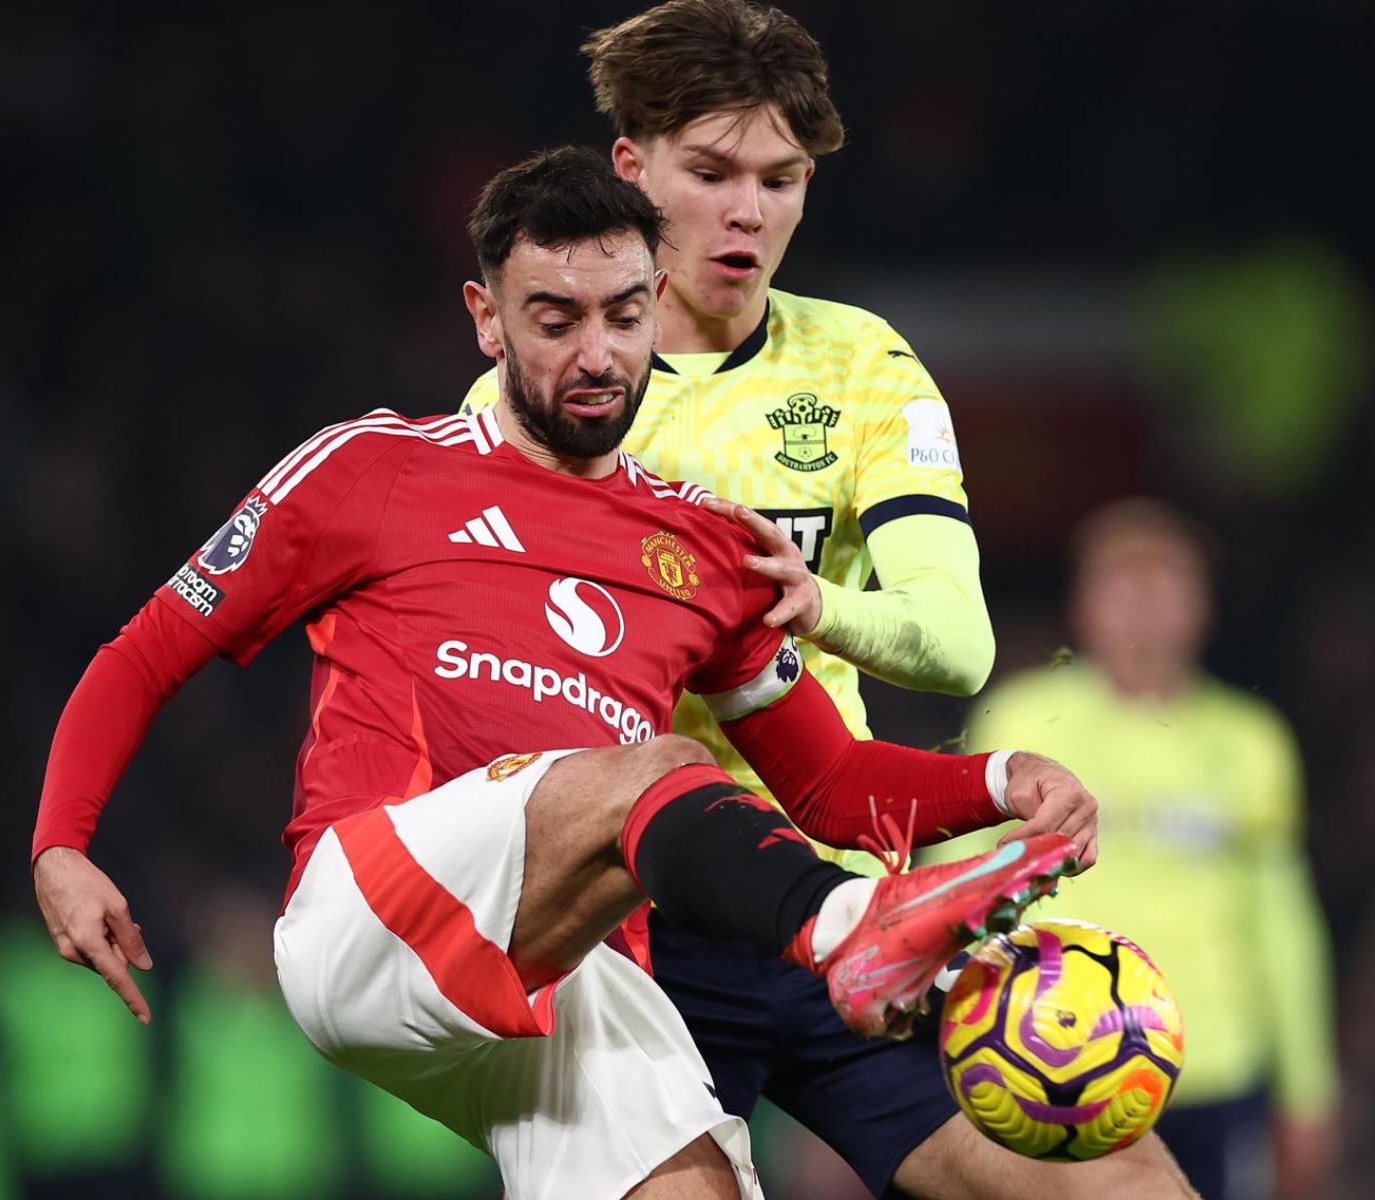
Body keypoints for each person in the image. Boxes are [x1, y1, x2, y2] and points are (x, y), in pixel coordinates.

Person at [30, 147, 1101, 1200]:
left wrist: (1005, 782)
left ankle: (849, 929)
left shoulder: (710, 551)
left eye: (625, 317)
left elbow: (830, 784)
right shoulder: (373, 468)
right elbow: (149, 651)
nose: (598, 354)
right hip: (373, 913)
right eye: (556, 320)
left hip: (578, 966)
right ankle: (855, 929)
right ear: (486, 318)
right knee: (650, 766)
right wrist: (62, 844)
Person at [460, 4, 1194, 1197]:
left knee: (1126, 1186)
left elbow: (958, 647)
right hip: (632, 935)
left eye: (781, 178)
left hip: (834, 902)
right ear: (632, 173)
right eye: (711, 173)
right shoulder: (540, 400)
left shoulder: (859, 365)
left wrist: (818, 605)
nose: (748, 211)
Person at [939, 499, 1341, 1200]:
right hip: (1051, 1058)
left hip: (1213, 1066)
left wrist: (1309, 1085)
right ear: (1083, 604)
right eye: (1123, 583)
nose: (1144, 605)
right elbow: (955, 877)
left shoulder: (1251, 741)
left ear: (1202, 605)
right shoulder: (1024, 718)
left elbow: (1282, 917)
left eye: (1165, 583)